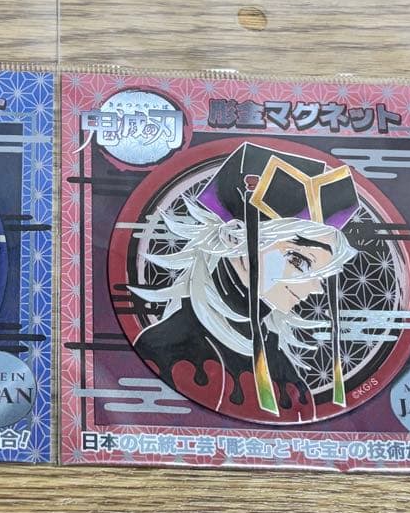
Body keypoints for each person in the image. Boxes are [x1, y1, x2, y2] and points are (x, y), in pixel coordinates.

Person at [130, 142, 360, 420]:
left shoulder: (285, 372)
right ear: (232, 238)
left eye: (322, 274)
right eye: (299, 261)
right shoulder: (164, 348)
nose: (315, 287)